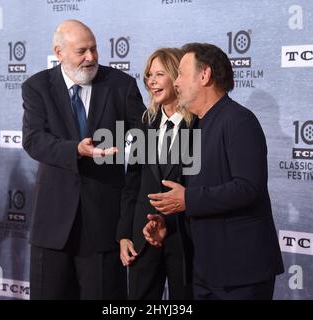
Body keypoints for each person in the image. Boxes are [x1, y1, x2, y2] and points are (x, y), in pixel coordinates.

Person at [145, 43, 284, 300]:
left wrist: (186, 200)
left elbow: (248, 187)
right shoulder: (197, 126)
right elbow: (199, 192)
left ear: (204, 75)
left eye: (182, 74)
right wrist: (169, 225)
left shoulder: (239, 120)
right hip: (205, 270)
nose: (176, 82)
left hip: (241, 273)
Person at [21, 19, 145, 299]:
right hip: (52, 227)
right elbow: (34, 140)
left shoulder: (120, 85)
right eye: (81, 51)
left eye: (94, 49)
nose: (90, 57)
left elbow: (144, 140)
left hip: (103, 223)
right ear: (59, 52)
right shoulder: (37, 87)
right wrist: (76, 149)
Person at [116, 48, 193, 299]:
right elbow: (132, 183)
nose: (151, 81)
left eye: (160, 74)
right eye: (149, 75)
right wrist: (125, 234)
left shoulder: (199, 124)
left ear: (176, 77)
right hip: (143, 236)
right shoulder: (144, 123)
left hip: (185, 239)